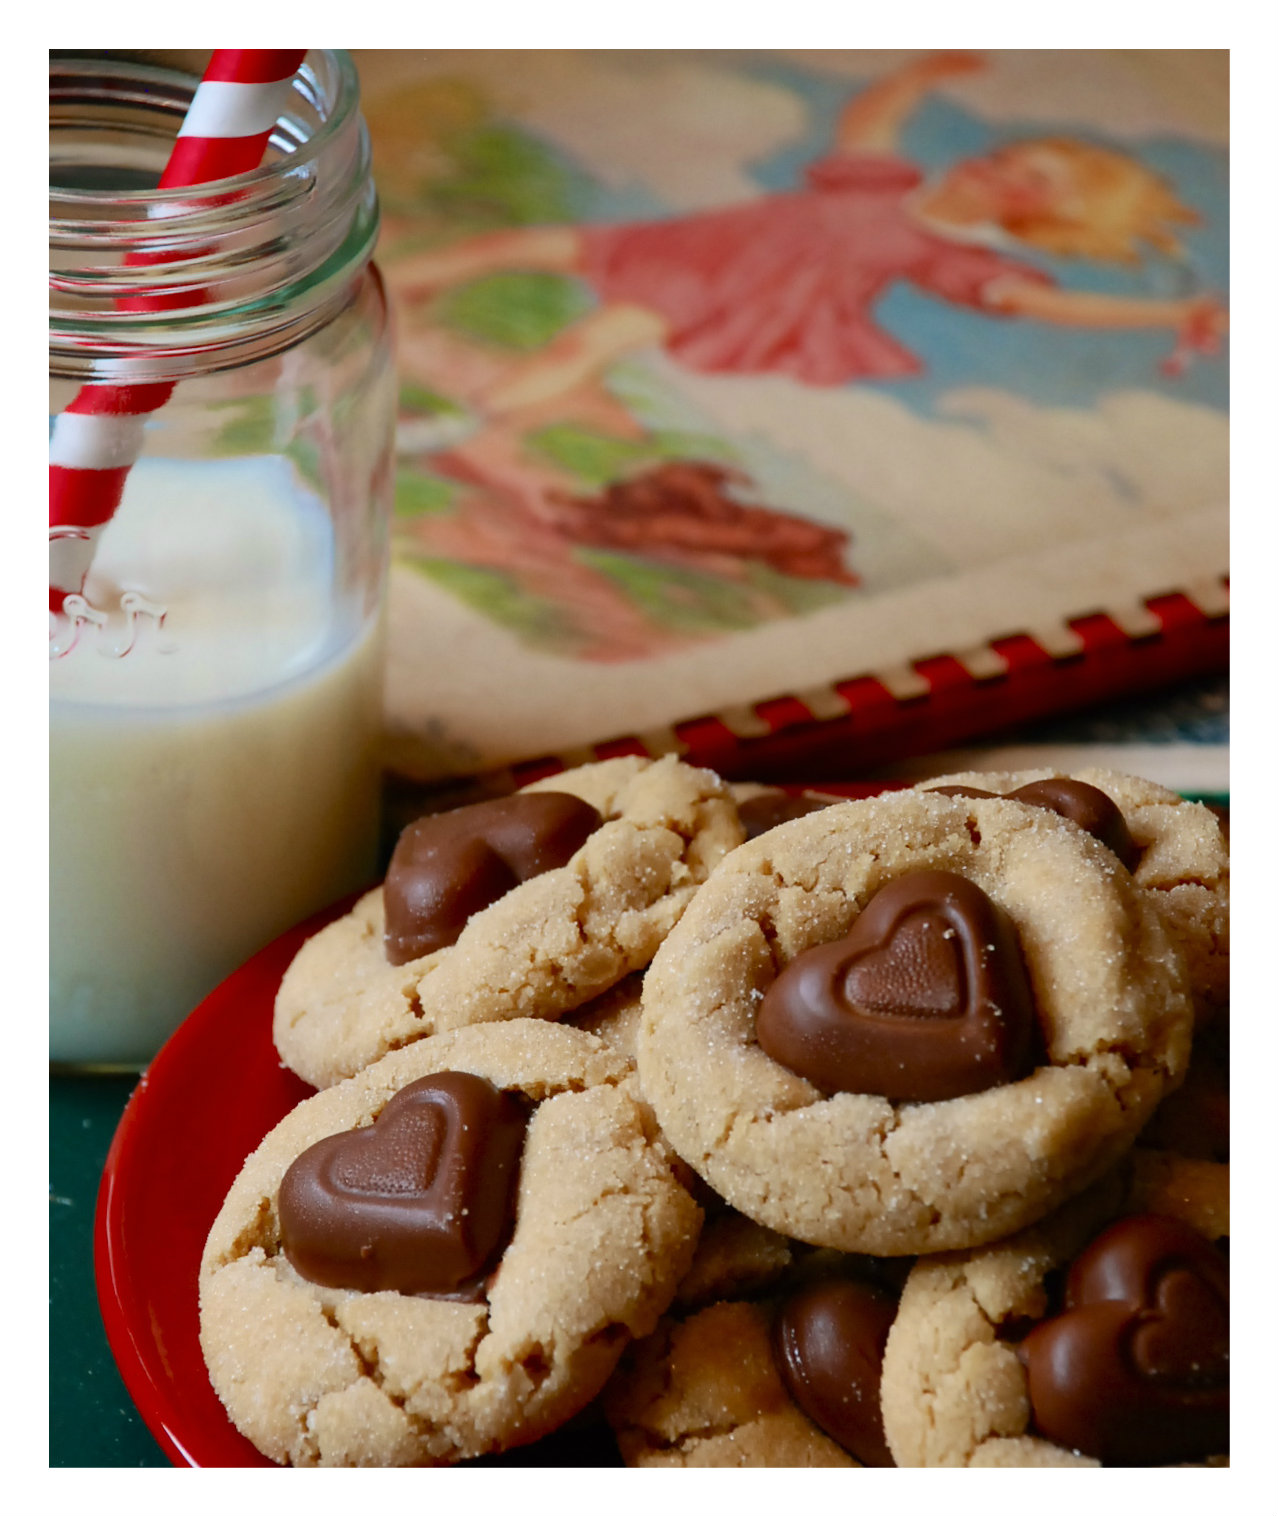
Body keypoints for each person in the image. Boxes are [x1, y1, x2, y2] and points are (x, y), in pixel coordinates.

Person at [385, 51, 1226, 418]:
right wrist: (911, 76)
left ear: (1039, 214)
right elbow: (868, 124)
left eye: (1028, 179)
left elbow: (1053, 306)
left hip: (728, 286)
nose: (994, 166)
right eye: (1007, 151)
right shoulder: (885, 179)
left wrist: (1169, 313)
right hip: (696, 241)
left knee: (586, 345)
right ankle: (363, 298)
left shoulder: (948, 255)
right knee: (514, 243)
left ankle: (463, 416)